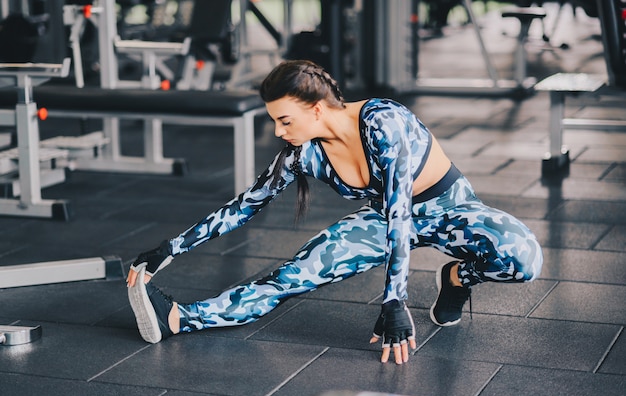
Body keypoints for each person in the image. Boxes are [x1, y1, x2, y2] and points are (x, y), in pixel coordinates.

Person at [126, 60, 543, 365]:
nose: (278, 131)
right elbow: (245, 206)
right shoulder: (301, 153)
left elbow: (403, 211)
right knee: (289, 276)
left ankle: (456, 278)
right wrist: (170, 248)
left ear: (316, 109)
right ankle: (180, 318)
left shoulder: (384, 122)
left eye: (284, 120)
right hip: (381, 220)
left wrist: (395, 301)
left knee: (523, 257)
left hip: (449, 208)